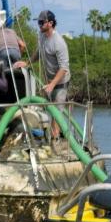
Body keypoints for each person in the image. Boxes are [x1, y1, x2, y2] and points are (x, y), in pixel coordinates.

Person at [36, 10, 69, 139]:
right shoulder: (42, 36)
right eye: (38, 22)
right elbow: (39, 51)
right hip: (49, 81)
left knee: (57, 112)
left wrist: (52, 85)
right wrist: (27, 63)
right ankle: (50, 137)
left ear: (50, 23)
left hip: (61, 82)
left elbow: (64, 68)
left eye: (41, 22)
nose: (39, 25)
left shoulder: (59, 42)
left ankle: (55, 141)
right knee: (47, 110)